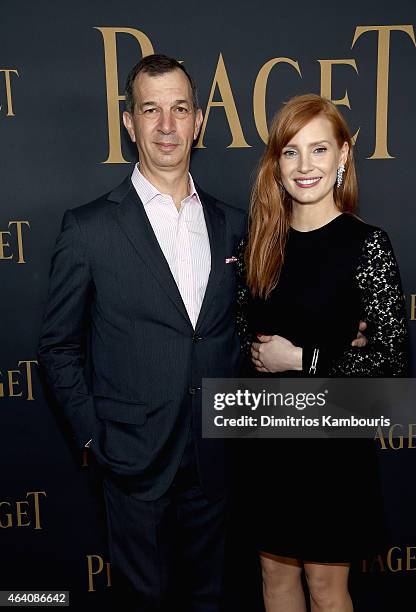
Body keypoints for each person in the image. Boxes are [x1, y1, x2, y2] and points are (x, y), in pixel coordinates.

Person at [37, 54, 247, 612]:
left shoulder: (235, 225)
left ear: (198, 120)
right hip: (133, 460)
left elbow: (243, 332)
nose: (166, 126)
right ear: (129, 124)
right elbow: (58, 346)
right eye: (150, 110)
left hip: (217, 460)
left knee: (213, 601)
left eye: (179, 109)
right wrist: (93, 438)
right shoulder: (89, 228)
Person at [237, 94, 408, 612]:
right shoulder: (261, 244)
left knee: (328, 590)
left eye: (318, 150)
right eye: (291, 152)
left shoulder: (367, 245)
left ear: (343, 156)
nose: (304, 166)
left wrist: (304, 360)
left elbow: (391, 362)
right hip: (269, 442)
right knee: (274, 580)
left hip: (334, 447)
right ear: (277, 163)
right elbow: (246, 333)